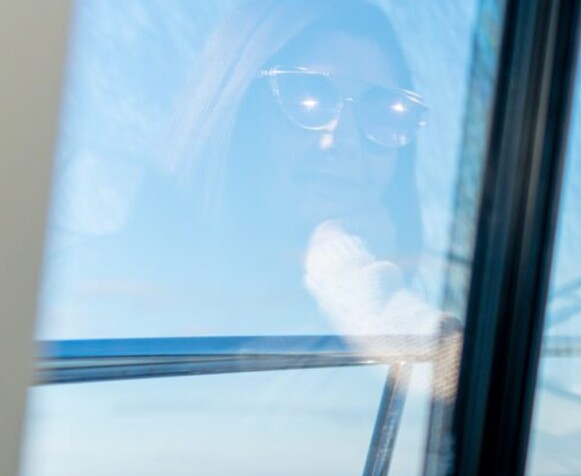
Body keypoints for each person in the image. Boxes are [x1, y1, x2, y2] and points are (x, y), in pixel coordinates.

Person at [40, 0, 435, 340]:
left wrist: (356, 282)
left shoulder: (362, 310)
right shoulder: (97, 290)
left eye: (385, 112)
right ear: (238, 110)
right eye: (306, 96)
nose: (345, 139)